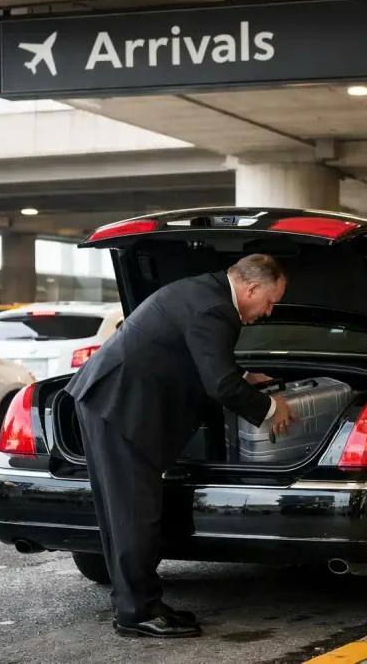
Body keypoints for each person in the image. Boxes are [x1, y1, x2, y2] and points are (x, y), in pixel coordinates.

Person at [64, 254, 296, 638]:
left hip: (111, 399)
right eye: (270, 302)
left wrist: (243, 375)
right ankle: (137, 612)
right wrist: (272, 407)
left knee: (123, 510)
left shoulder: (205, 291)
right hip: (121, 405)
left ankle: (133, 600)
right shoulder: (217, 308)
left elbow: (197, 352)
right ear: (251, 288)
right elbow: (219, 385)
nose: (268, 312)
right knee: (134, 512)